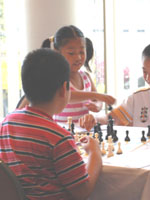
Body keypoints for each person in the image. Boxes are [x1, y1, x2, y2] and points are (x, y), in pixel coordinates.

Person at [0, 48, 102, 200]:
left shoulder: (6, 123)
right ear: (64, 89)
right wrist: (95, 153)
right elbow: (83, 191)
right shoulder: (59, 137)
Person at [17, 25, 116, 123]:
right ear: (58, 53)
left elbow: (95, 99)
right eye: (71, 53)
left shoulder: (86, 77)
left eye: (81, 52)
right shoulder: (56, 77)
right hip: (60, 131)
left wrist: (98, 105)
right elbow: (67, 95)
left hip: (82, 133)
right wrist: (100, 96)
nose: (78, 57)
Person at [96, 41, 150, 127]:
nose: (148, 78)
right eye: (145, 71)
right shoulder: (138, 97)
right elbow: (111, 119)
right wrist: (94, 119)